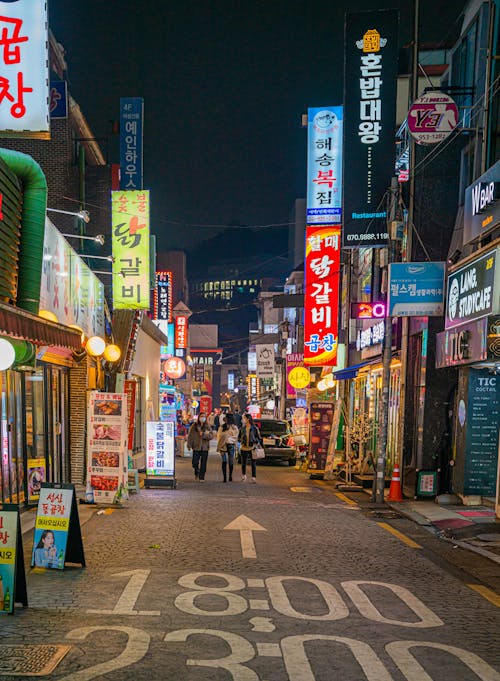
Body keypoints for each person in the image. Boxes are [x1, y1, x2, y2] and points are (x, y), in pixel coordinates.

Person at [187, 412, 214, 482]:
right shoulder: (194, 426)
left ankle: (202, 477)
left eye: (204, 416)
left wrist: (204, 434)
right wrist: (189, 445)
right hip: (196, 447)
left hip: (205, 447)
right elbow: (190, 436)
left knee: (203, 463)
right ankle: (196, 471)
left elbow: (211, 436)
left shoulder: (207, 426)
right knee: (194, 462)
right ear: (199, 417)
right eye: (201, 416)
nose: (203, 418)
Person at [239, 412, 262, 483]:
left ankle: (253, 477)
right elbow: (239, 437)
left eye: (244, 418)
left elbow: (258, 437)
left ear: (248, 419)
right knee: (243, 463)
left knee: (253, 463)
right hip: (243, 448)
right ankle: (243, 476)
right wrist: (241, 441)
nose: (243, 420)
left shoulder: (254, 428)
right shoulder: (242, 428)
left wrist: (255, 441)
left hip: (252, 448)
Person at [216, 413, 239, 482]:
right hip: (223, 445)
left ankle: (230, 476)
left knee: (231, 461)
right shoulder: (222, 427)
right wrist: (227, 436)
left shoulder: (234, 427)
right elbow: (219, 436)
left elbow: (235, 437)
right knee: (224, 461)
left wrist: (227, 437)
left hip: (231, 445)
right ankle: (224, 477)